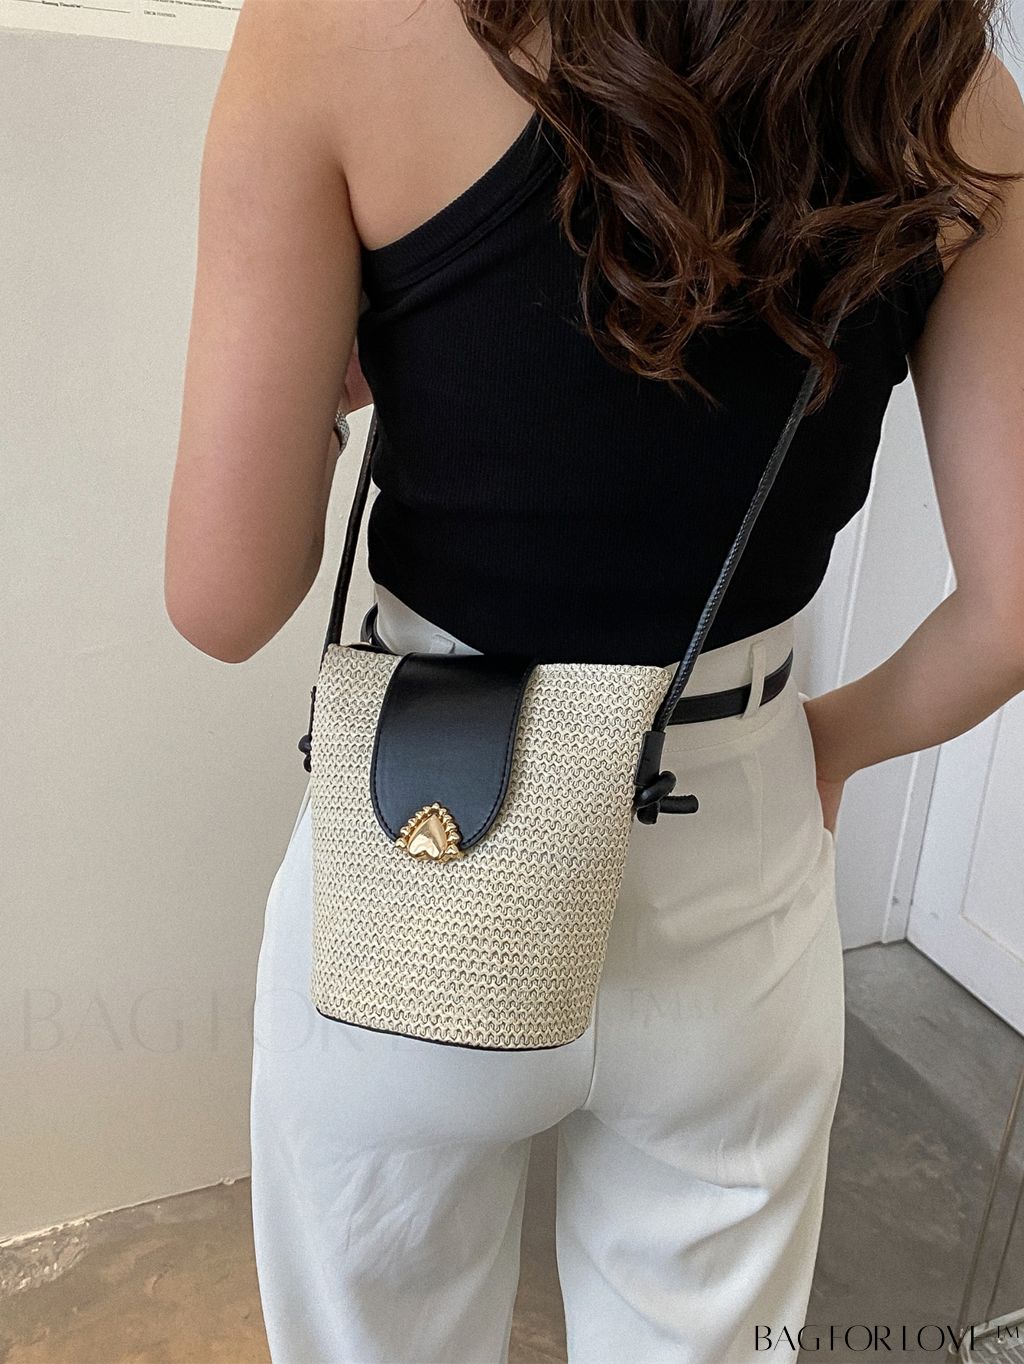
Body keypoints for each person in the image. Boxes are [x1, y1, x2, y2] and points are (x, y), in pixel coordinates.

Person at [164, 1, 1024, 1360]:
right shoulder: (952, 89)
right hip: (730, 823)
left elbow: (222, 601)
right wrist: (829, 745)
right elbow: (1013, 606)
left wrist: (334, 380)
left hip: (424, 827)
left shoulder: (337, 28)